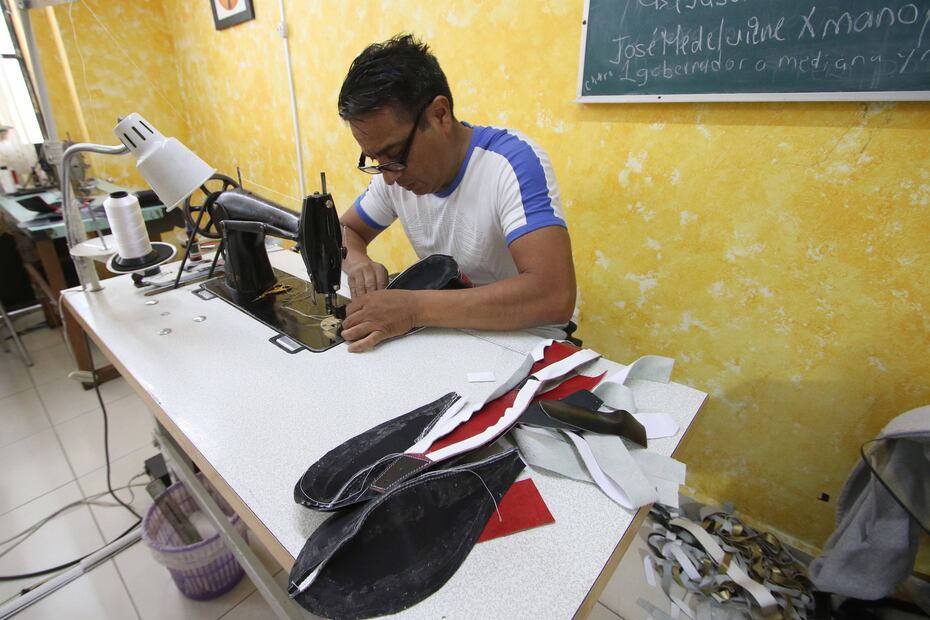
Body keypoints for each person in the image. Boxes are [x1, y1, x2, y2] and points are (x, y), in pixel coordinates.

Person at [337, 34, 576, 352]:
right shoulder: (392, 173)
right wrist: (357, 263)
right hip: (454, 332)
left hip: (528, 340)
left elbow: (552, 294)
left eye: (394, 154)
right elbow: (344, 229)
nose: (390, 177)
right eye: (376, 160)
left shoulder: (511, 163)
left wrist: (413, 308)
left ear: (440, 115)